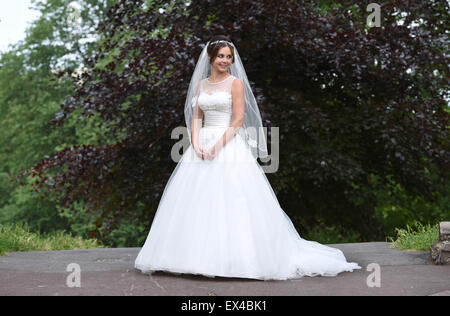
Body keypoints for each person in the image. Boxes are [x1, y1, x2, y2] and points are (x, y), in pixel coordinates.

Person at [134, 35, 361, 280]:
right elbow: (196, 117)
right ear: (211, 57)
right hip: (201, 145)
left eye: (228, 57)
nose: (225, 60)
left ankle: (236, 259)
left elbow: (239, 120)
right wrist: (196, 142)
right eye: (221, 56)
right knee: (194, 200)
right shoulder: (201, 86)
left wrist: (217, 146)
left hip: (228, 143)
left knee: (234, 200)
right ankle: (186, 257)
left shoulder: (235, 84)